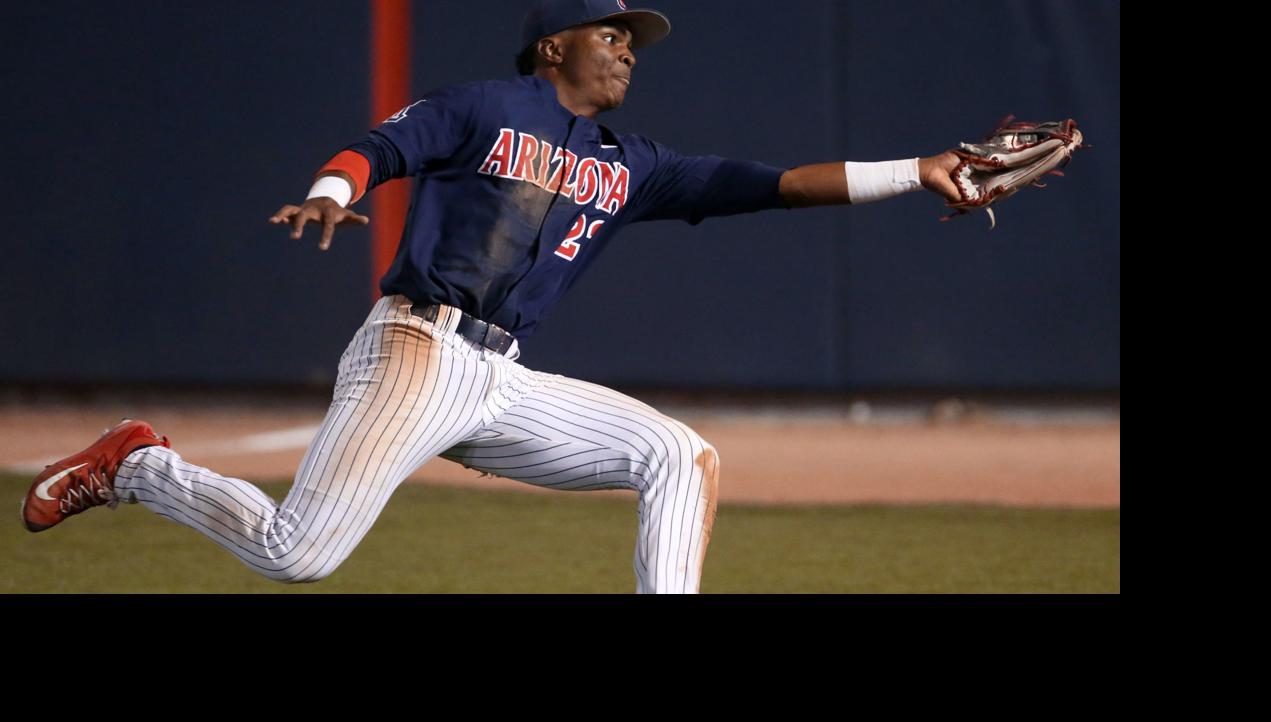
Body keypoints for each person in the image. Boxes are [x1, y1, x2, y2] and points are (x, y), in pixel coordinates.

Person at [20, 1, 967, 593]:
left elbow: (779, 183)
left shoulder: (632, 166)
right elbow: (379, 150)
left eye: (633, 38)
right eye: (612, 32)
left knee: (681, 457)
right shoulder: (483, 107)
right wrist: (329, 191)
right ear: (553, 44)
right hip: (416, 348)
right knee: (297, 553)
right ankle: (139, 464)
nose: (630, 50)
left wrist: (916, 170)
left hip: (503, 377)